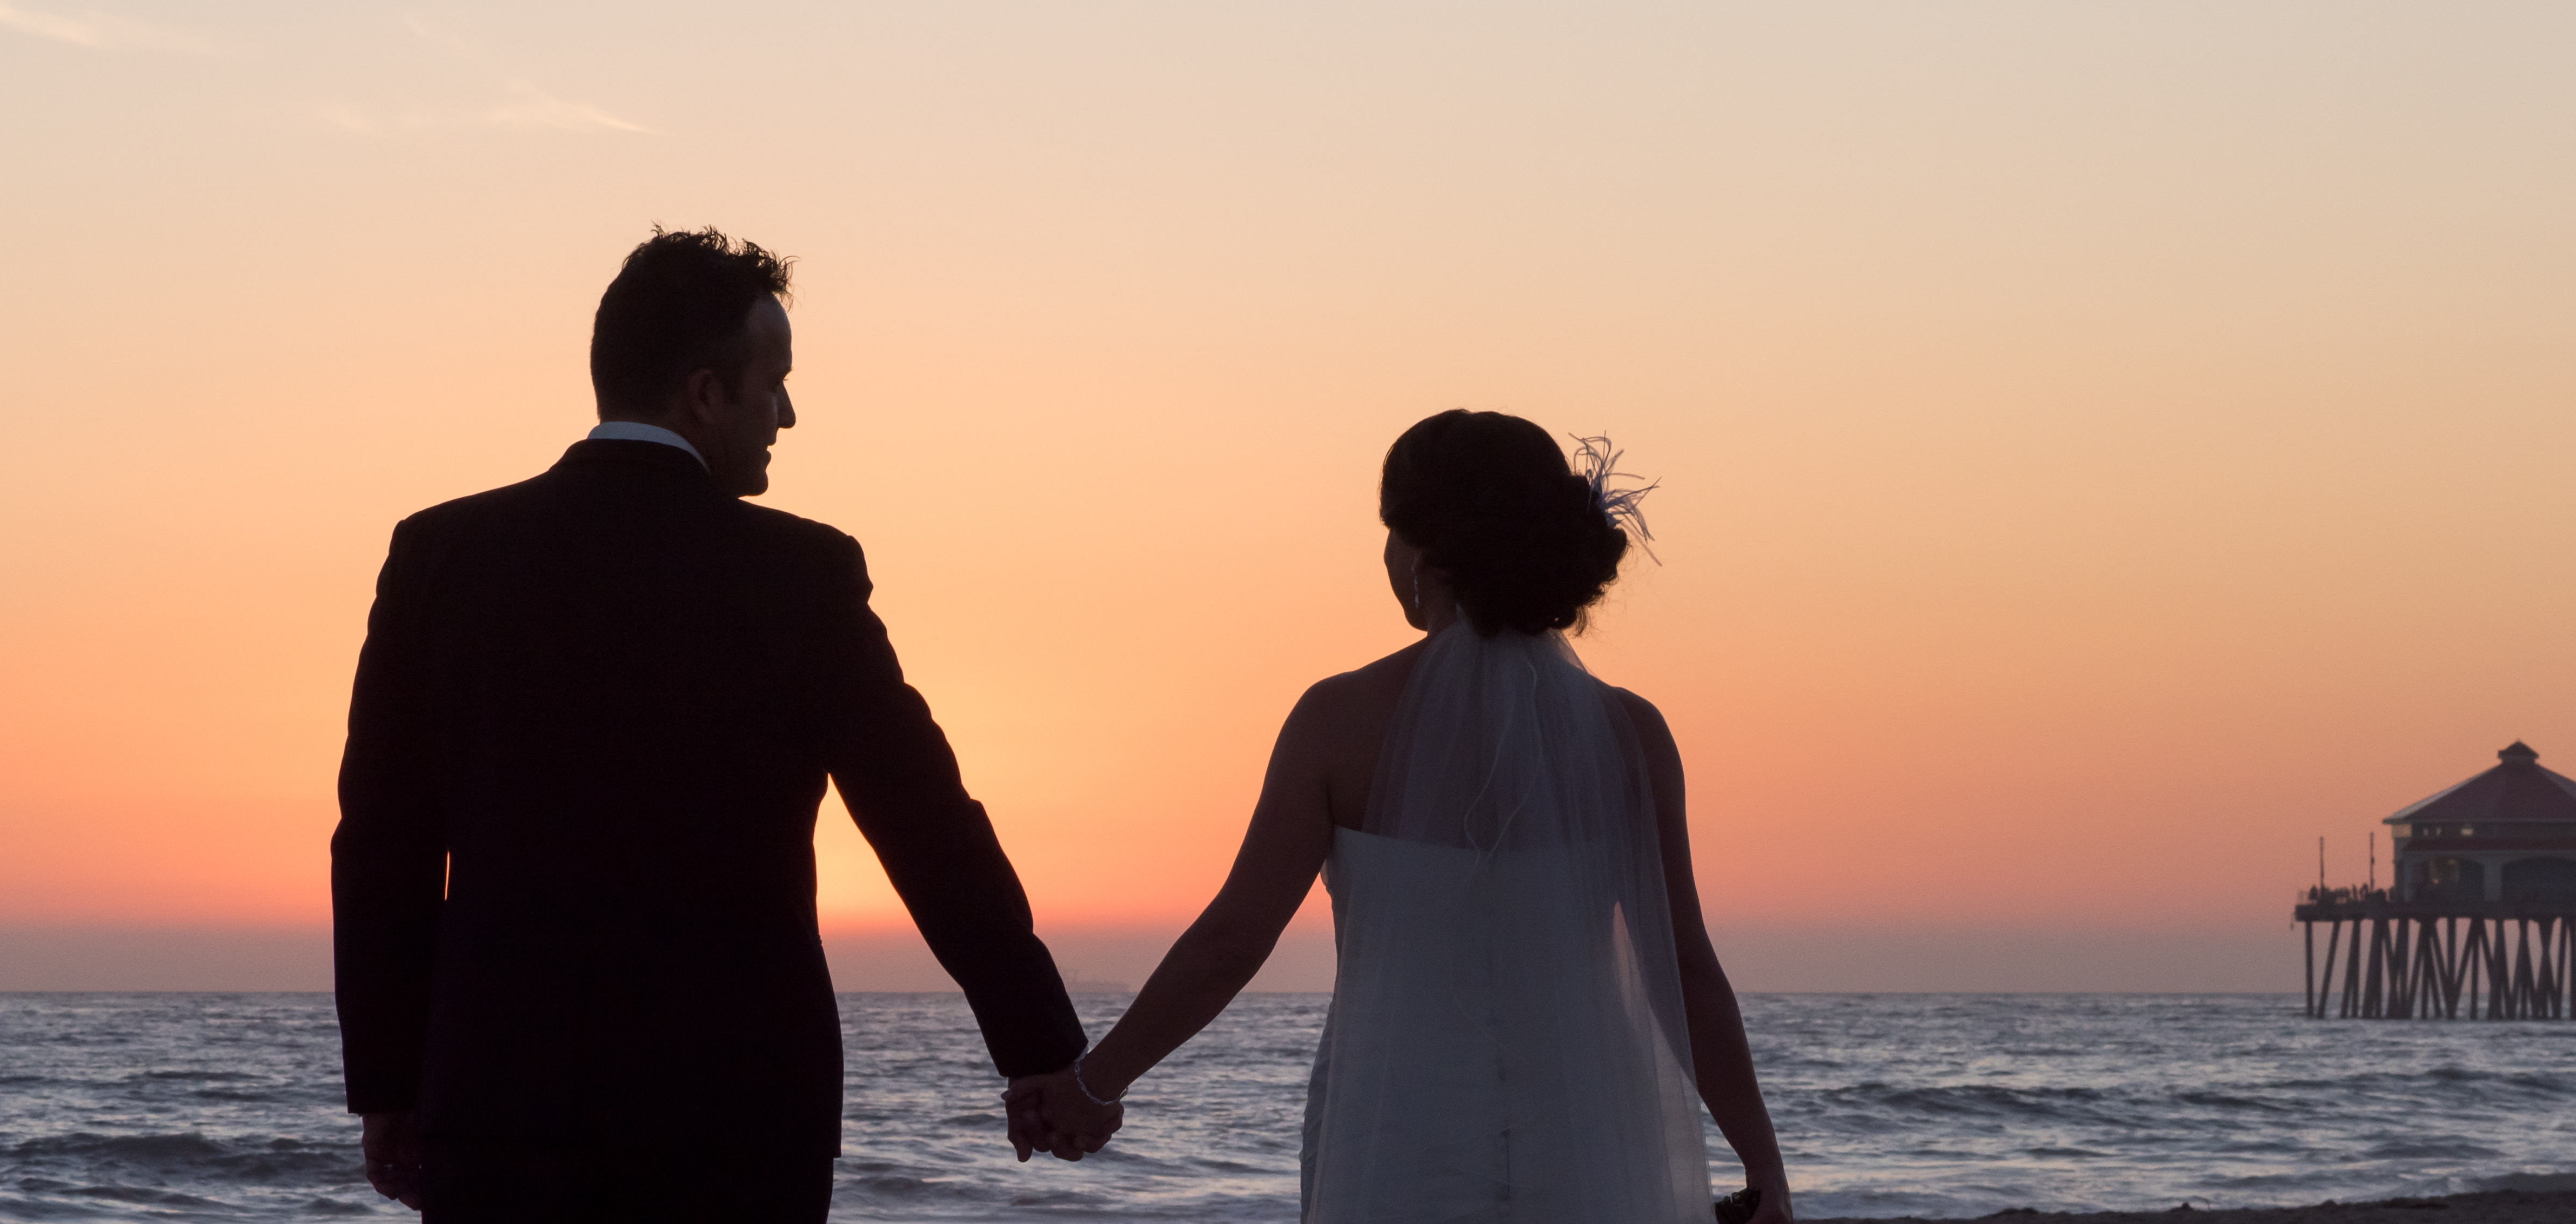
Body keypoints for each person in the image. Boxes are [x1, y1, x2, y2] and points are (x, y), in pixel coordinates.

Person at [332, 227, 1110, 1223]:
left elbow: (383, 847)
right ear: (706, 392)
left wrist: (392, 1085)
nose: (788, 412)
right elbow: (926, 827)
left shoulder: (440, 557)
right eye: (774, 381)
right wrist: (1043, 1050)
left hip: (499, 1109)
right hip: (740, 1118)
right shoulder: (802, 576)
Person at [1013, 410, 1797, 1222]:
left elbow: (1231, 943)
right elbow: (1687, 973)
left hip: (1391, 1140)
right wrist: (1764, 1168)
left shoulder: (1337, 721)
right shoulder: (1630, 736)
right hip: (1587, 1144)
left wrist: (1093, 1084)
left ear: (1423, 553)